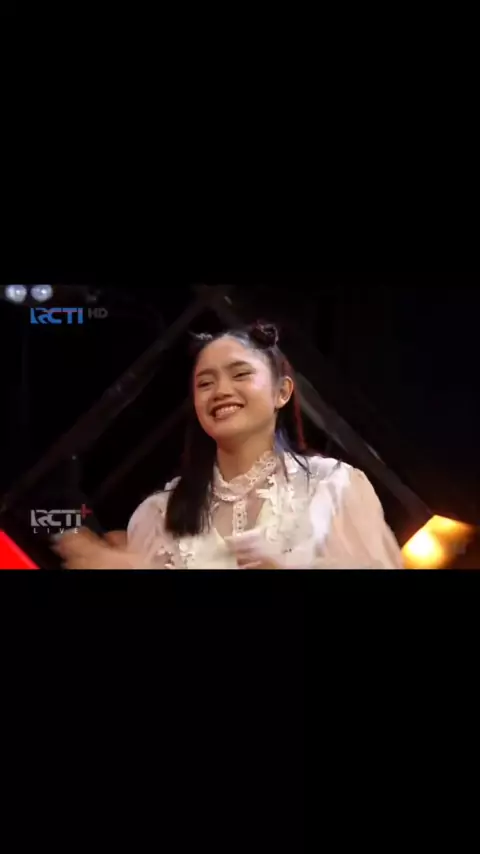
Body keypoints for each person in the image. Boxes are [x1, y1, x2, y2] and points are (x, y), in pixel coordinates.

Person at [53, 322, 404, 569]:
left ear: (282, 392)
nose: (221, 391)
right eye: (205, 383)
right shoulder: (157, 515)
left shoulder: (334, 487)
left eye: (240, 374)